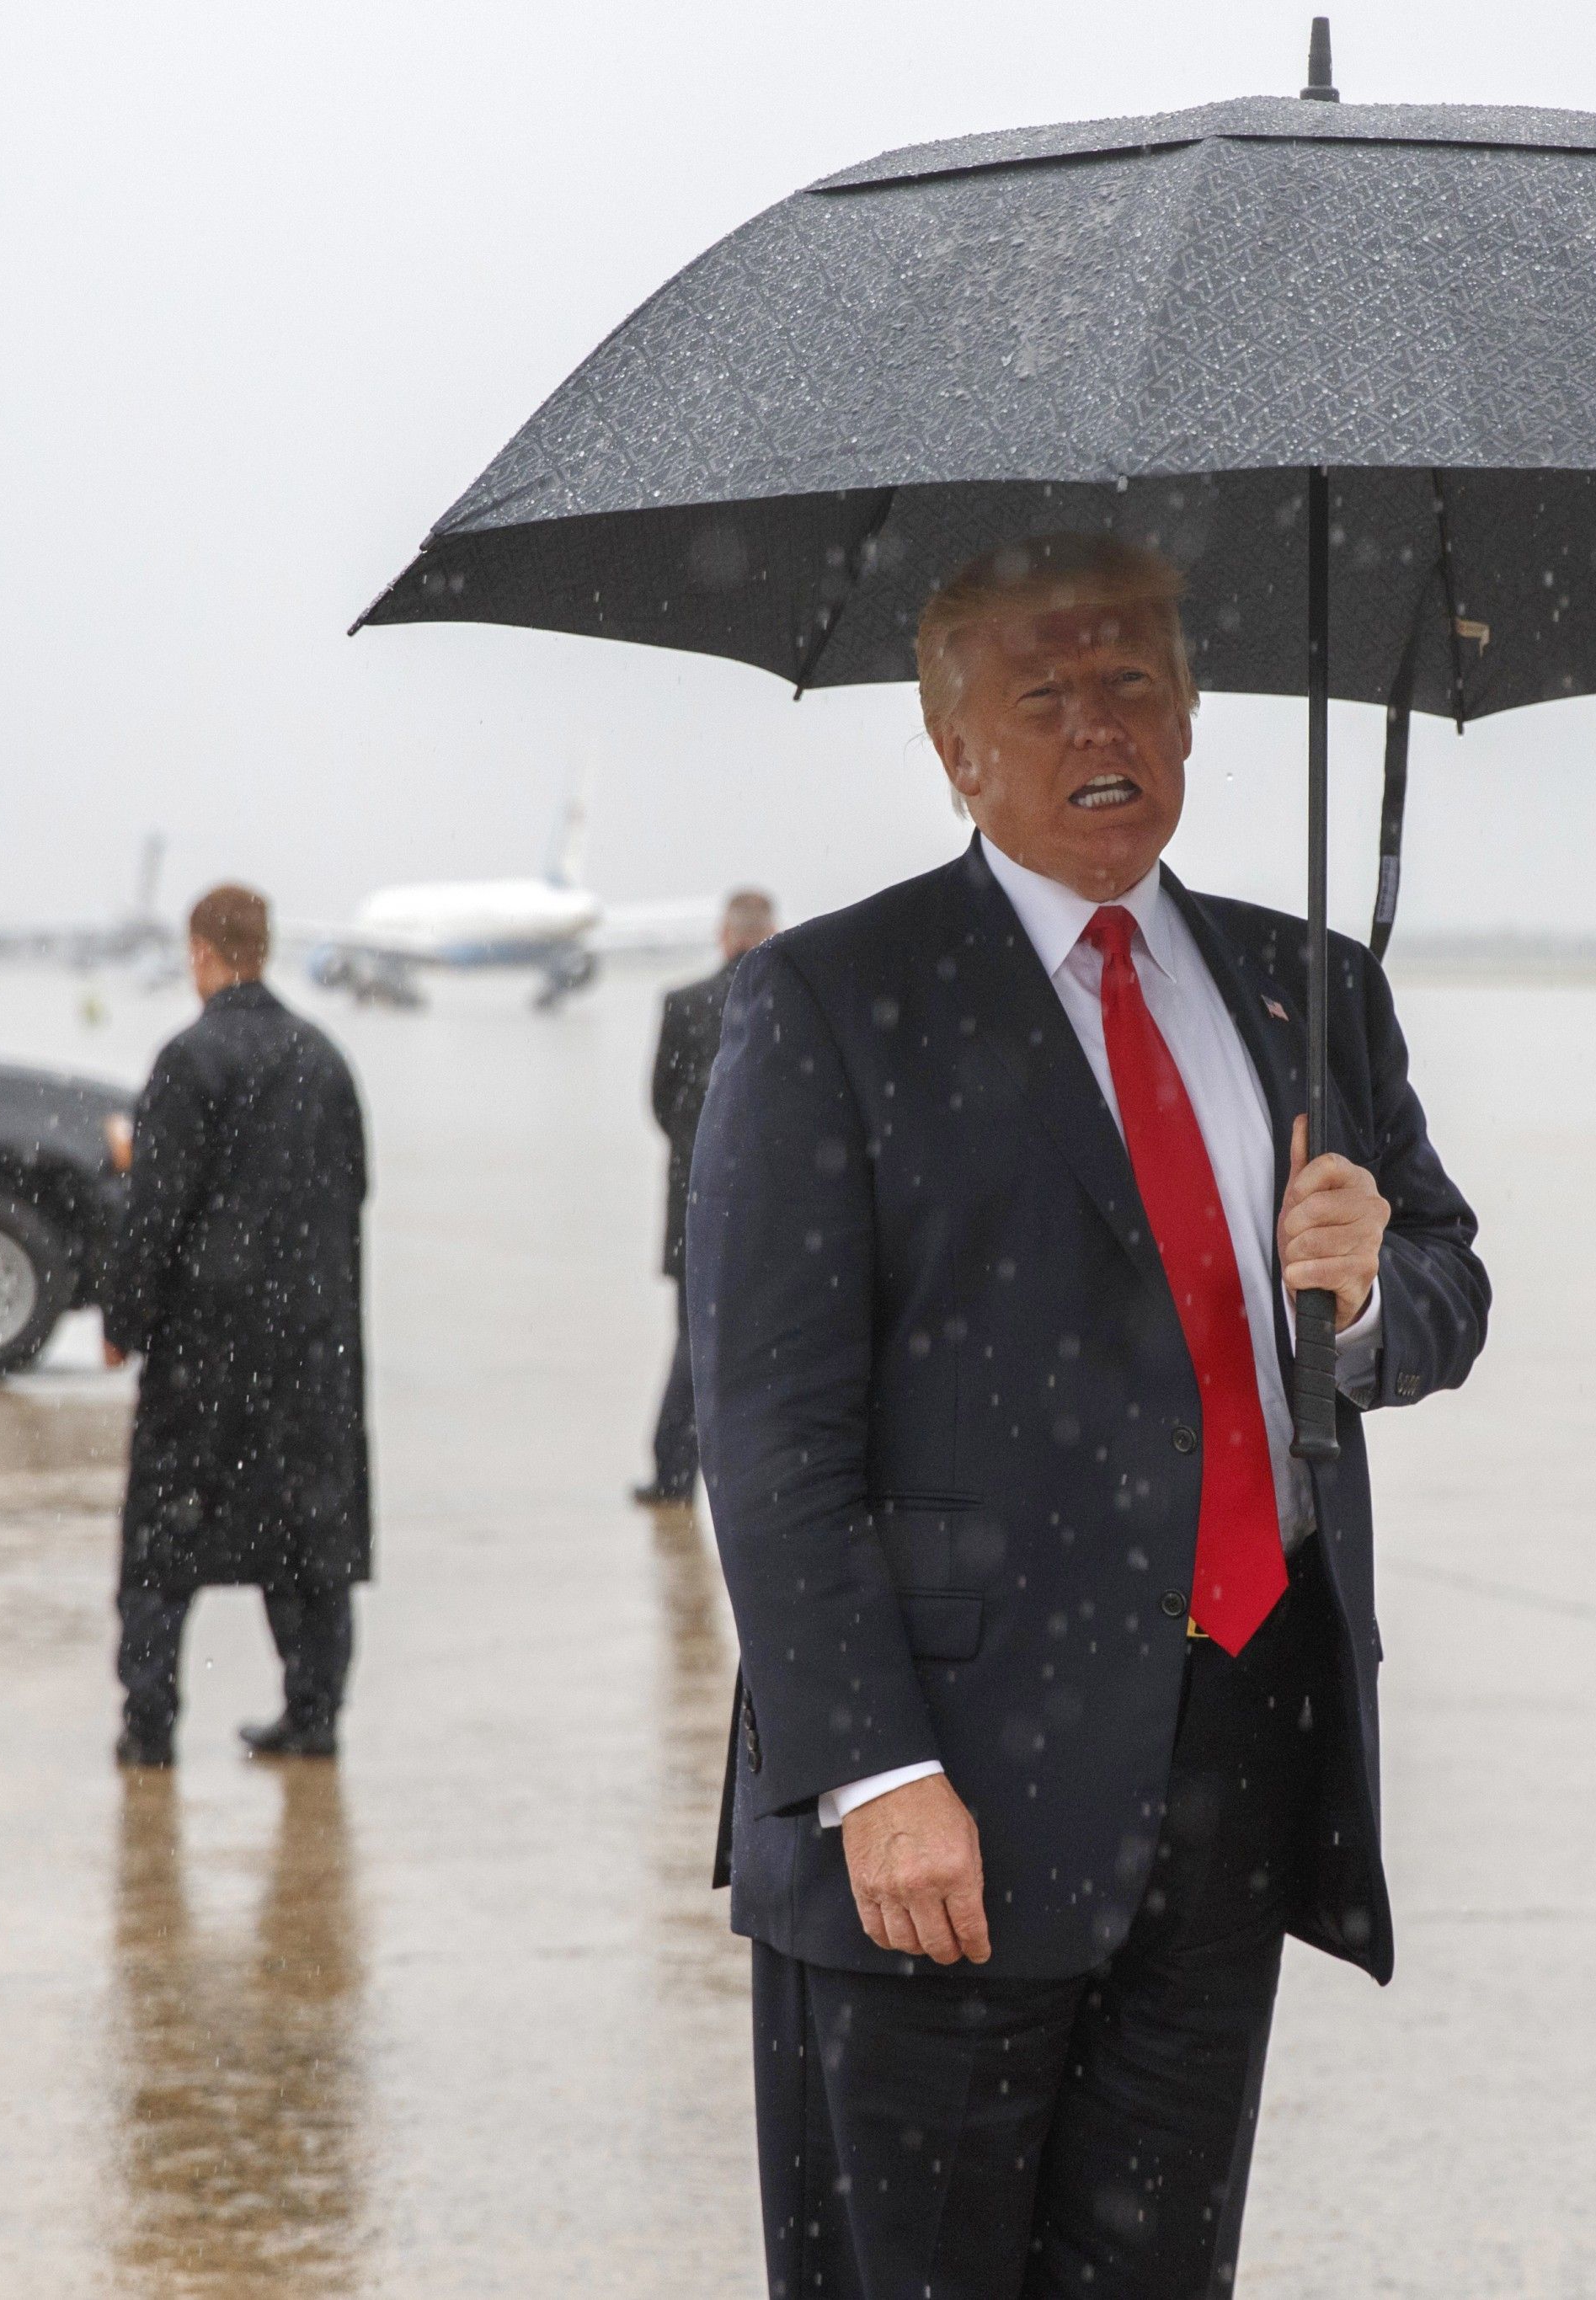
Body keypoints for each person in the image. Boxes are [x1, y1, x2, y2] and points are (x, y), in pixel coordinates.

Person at [690, 533, 1490, 2298]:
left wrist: (1358, 1293)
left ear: (1195, 714)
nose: (1098, 723)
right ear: (950, 742)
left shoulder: (1310, 992)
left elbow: (1448, 1293)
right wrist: (874, 1773)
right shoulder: (830, 1003)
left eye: (1134, 678)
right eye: (1043, 693)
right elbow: (769, 1441)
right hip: (944, 1808)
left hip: (1228, 1770)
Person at [104, 884, 371, 1768]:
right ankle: (314, 1720)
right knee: (307, 1543)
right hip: (309, 1349)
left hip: (204, 1352)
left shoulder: (189, 1059)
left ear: (201, 953)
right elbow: (351, 1194)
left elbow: (156, 1210)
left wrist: (123, 1321)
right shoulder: (322, 1058)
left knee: (161, 1545)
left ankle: (149, 1731)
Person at [633, 888, 777, 1507]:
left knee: (696, 1347)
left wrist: (703, 1161)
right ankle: (759, 1486)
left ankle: (673, 1477)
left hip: (695, 1204)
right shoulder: (784, 1002)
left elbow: (662, 1105)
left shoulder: (683, 1004)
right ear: (771, 933)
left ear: (724, 935)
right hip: (775, 1210)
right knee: (778, 1347)